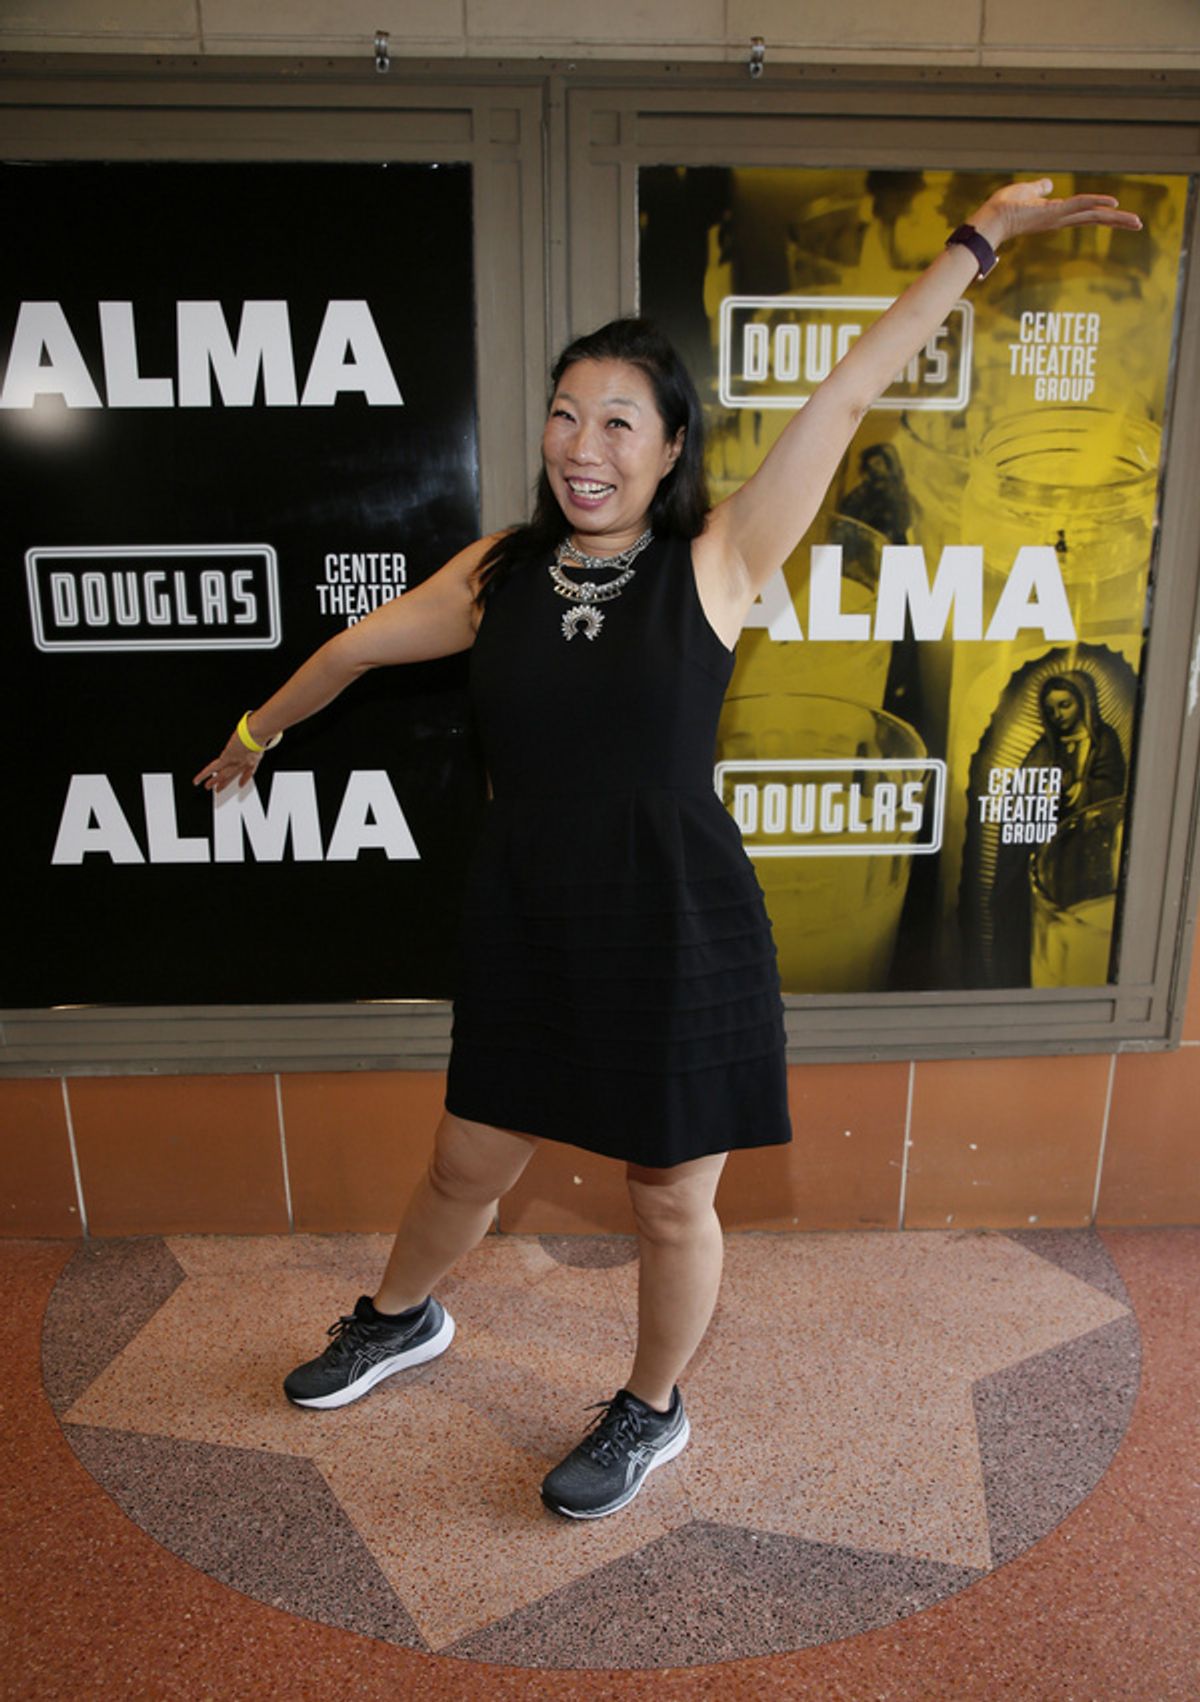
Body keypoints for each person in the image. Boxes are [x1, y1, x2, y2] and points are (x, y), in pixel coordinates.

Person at [195, 179, 1141, 1521]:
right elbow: (352, 648)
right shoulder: (498, 575)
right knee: (466, 1159)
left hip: (679, 920)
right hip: (530, 916)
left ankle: (651, 1407)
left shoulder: (720, 556)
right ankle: (398, 1317)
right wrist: (254, 730)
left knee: (667, 1198)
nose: (583, 443)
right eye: (566, 414)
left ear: (669, 444)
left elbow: (854, 390)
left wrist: (977, 241)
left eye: (617, 422)